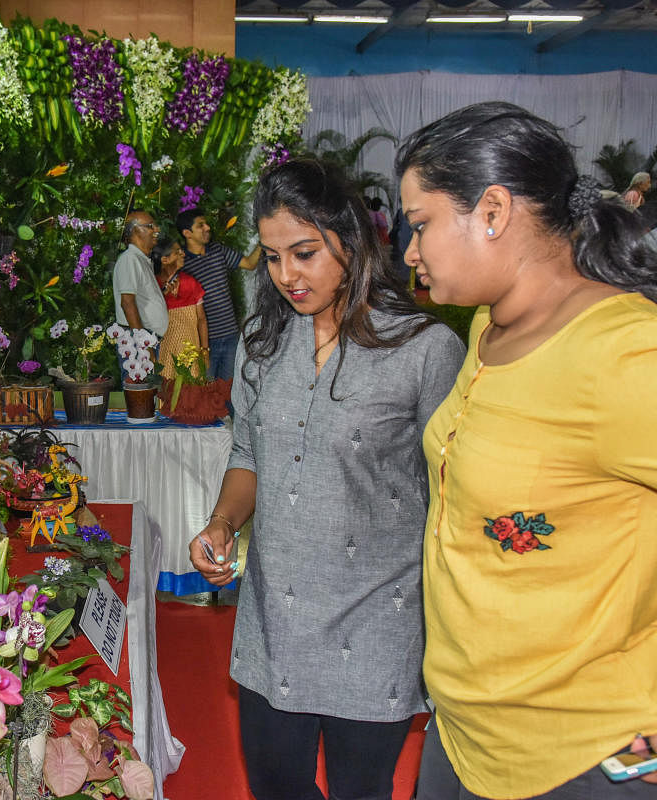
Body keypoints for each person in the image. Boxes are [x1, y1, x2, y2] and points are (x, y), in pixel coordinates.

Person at [395, 100, 657, 800]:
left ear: (492, 211)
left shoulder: (623, 352)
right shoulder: (489, 325)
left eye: (420, 226)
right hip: (462, 730)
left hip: (576, 751)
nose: (409, 252)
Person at [188, 158, 465, 800]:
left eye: (305, 253)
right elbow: (248, 454)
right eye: (274, 256)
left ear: (349, 238)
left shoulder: (424, 350)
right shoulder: (264, 343)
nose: (288, 275)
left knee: (358, 791)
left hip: (379, 618)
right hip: (274, 615)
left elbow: (454, 495)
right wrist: (223, 523)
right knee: (276, 785)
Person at [176, 207, 261, 381]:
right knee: (205, 392)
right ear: (187, 233)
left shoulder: (218, 251)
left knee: (228, 391)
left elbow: (250, 264)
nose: (207, 227)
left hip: (230, 335)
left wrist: (265, 239)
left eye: (206, 223)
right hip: (203, 342)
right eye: (200, 225)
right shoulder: (181, 263)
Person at [150, 235, 208, 380]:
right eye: (177, 252)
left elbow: (201, 319)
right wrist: (163, 295)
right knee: (168, 393)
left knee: (191, 393)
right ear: (165, 260)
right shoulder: (152, 286)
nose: (183, 253)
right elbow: (147, 320)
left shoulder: (191, 283)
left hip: (191, 354)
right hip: (165, 354)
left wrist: (205, 351)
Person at [113, 210, 168, 339]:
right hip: (139, 340)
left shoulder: (140, 259)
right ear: (134, 230)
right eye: (150, 226)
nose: (157, 229)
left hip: (147, 337)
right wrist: (143, 344)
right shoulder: (130, 259)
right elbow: (127, 303)